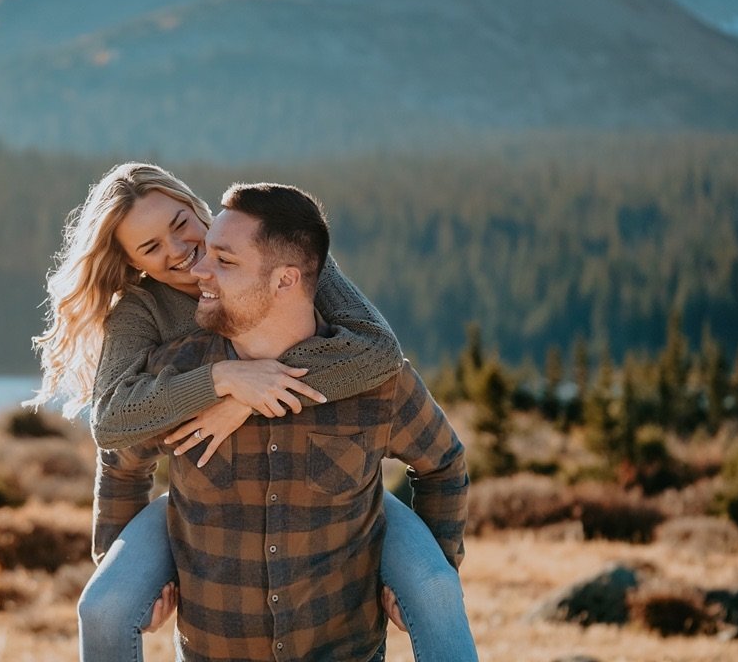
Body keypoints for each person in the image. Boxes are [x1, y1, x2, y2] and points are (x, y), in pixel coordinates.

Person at [29, 163, 474, 660]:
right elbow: (115, 428)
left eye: (180, 225)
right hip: (201, 494)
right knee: (105, 606)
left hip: (333, 488)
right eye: (151, 248)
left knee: (436, 588)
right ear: (133, 262)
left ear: (195, 207)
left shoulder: (286, 262)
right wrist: (220, 381)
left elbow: (376, 352)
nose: (182, 252)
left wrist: (246, 399)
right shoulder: (143, 312)